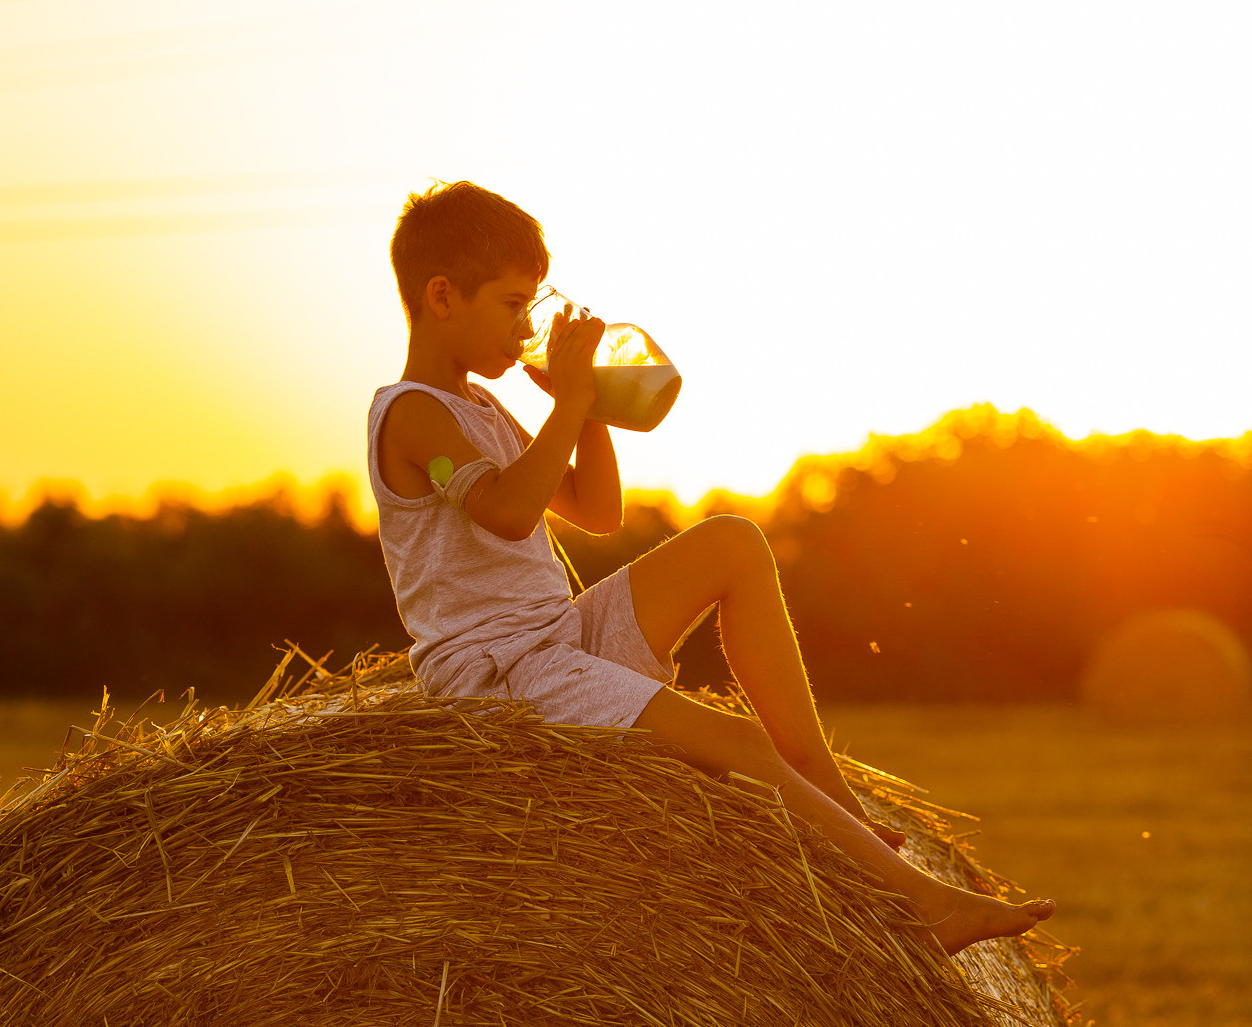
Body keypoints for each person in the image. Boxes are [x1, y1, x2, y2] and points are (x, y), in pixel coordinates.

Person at [367, 180, 1054, 955]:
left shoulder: (483, 408)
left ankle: (818, 778)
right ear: (442, 295)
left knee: (733, 541)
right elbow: (507, 511)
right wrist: (568, 405)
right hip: (496, 677)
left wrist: (583, 407)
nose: (527, 327)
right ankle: (924, 906)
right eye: (513, 305)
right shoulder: (410, 410)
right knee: (733, 745)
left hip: (555, 639)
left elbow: (596, 510)